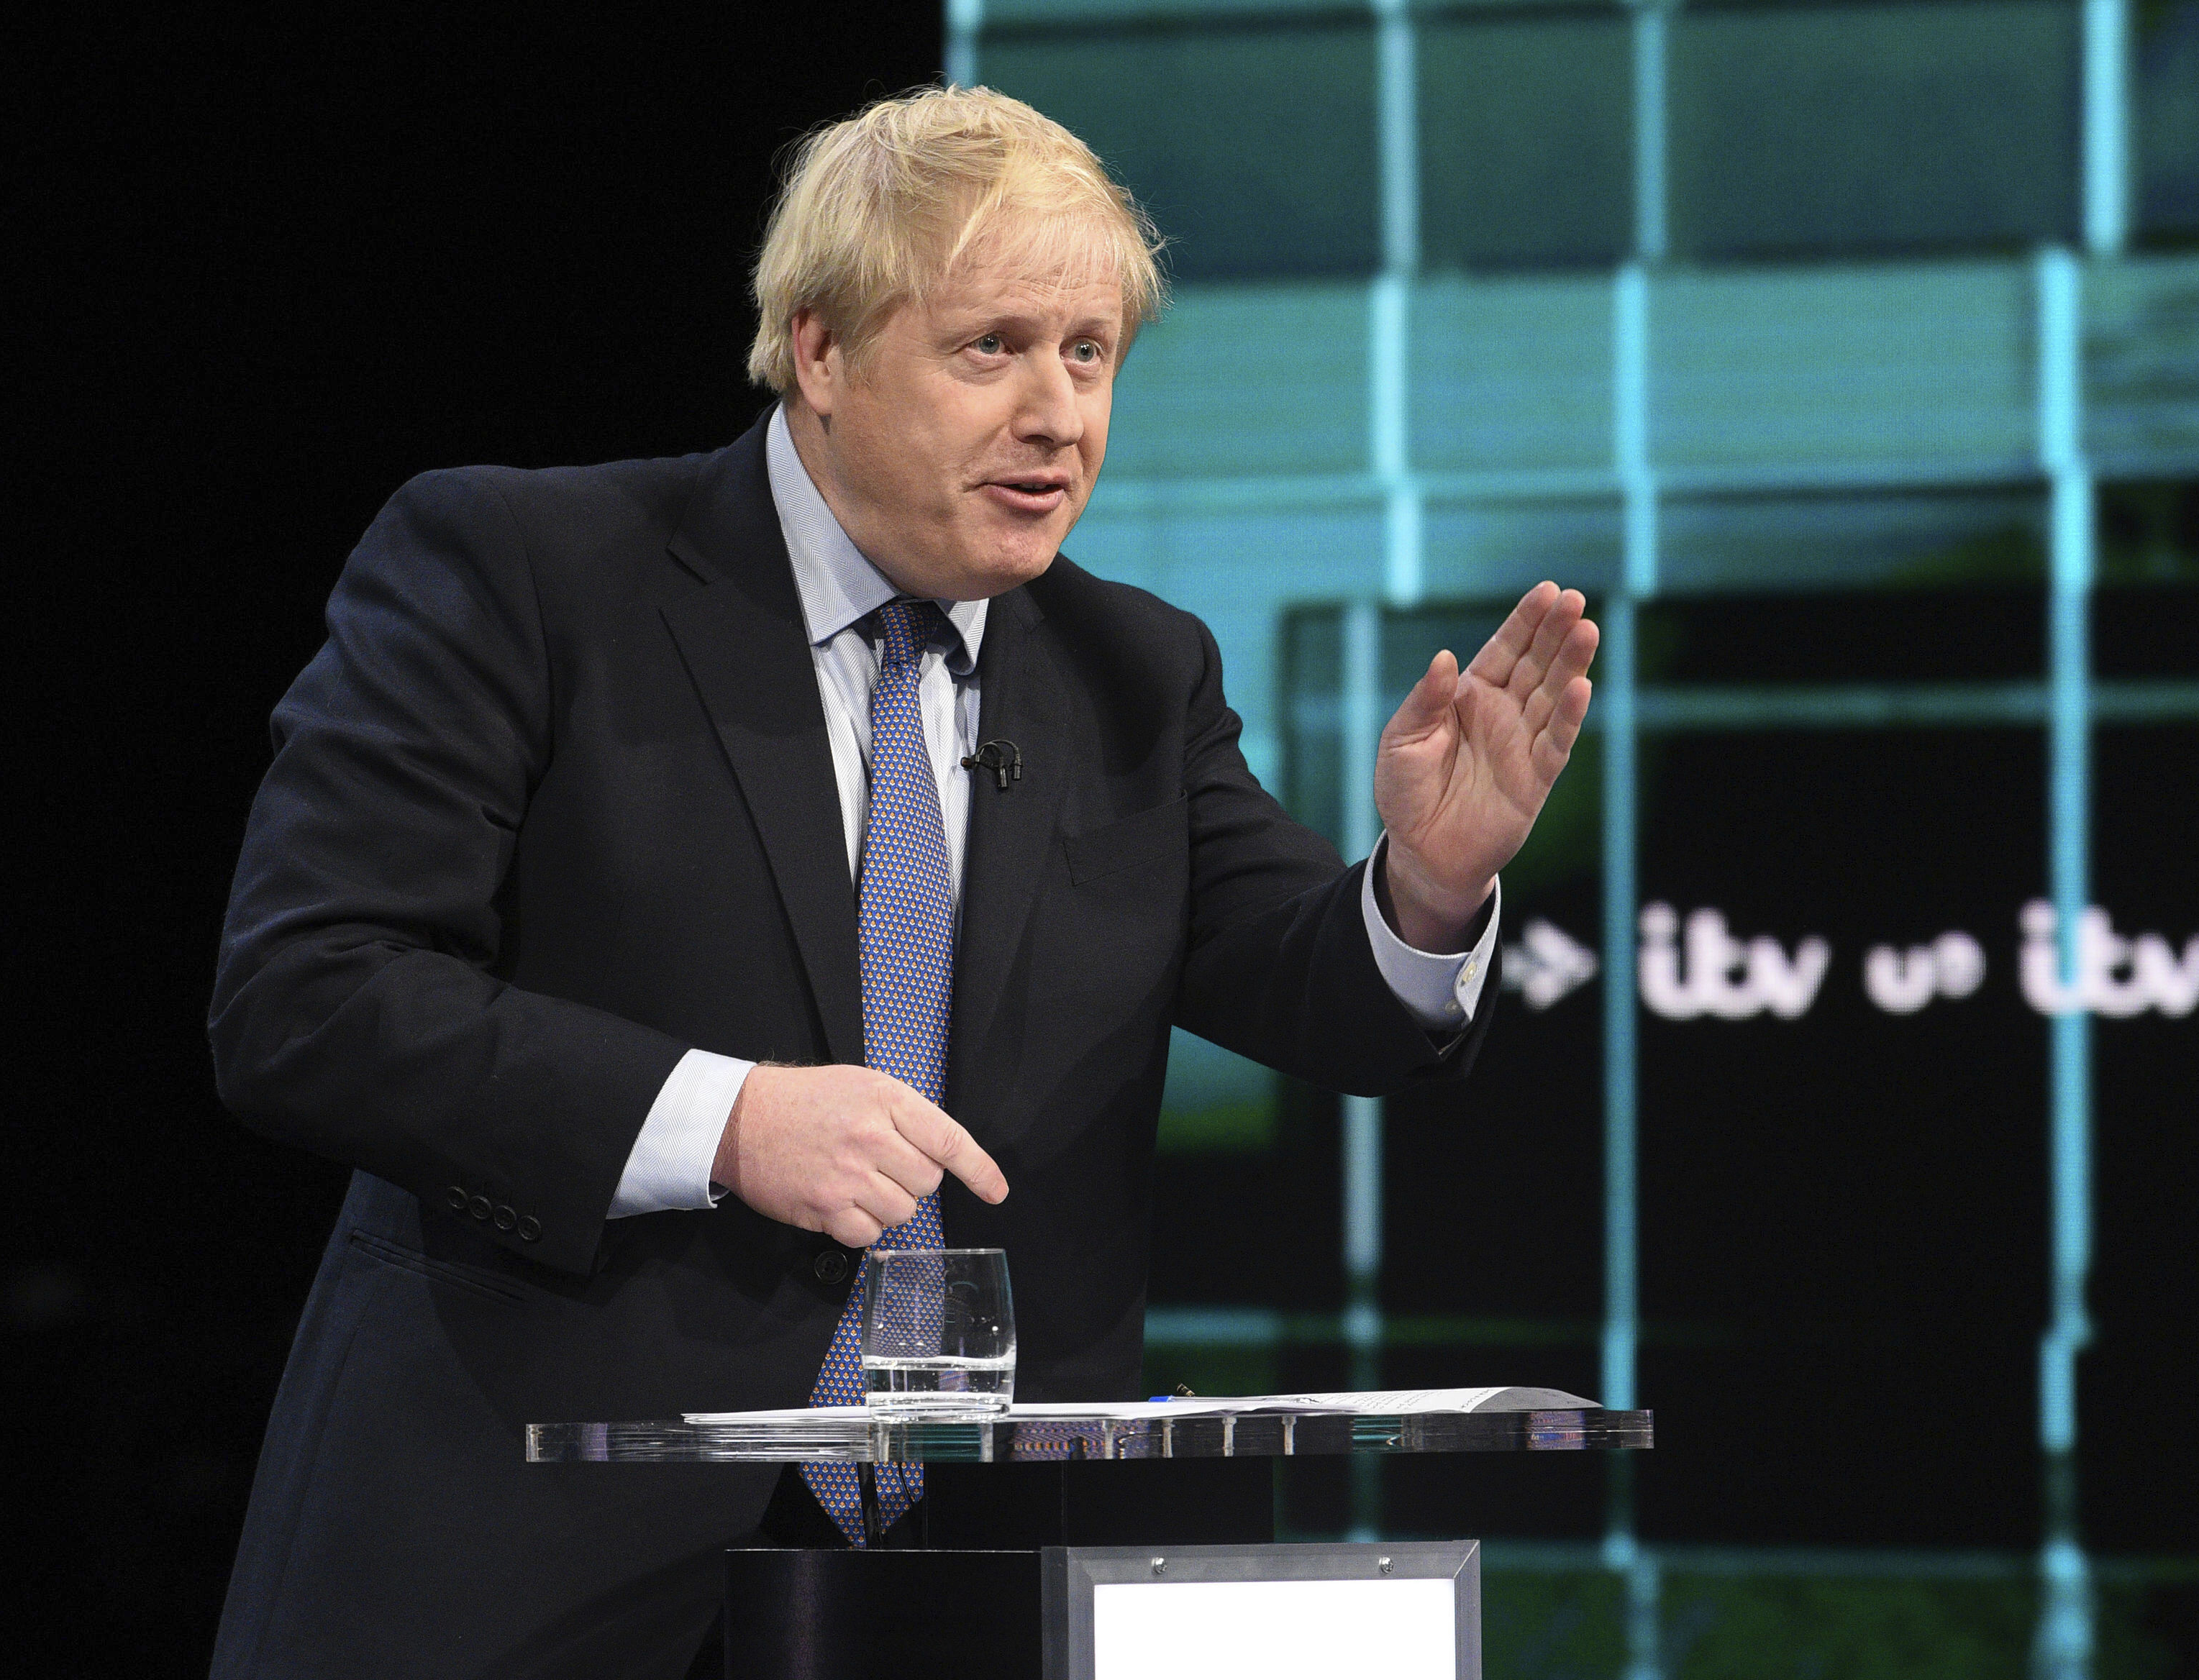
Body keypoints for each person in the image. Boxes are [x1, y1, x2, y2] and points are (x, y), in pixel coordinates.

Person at [206, 85, 1596, 1680]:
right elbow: (308, 994)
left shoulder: (1133, 668)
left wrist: (1424, 886)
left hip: (966, 1596)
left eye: (1089, 355)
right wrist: (724, 1119)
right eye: (990, 346)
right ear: (819, 351)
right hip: (527, 1576)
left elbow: (1322, 993)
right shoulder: (523, 572)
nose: (1057, 414)